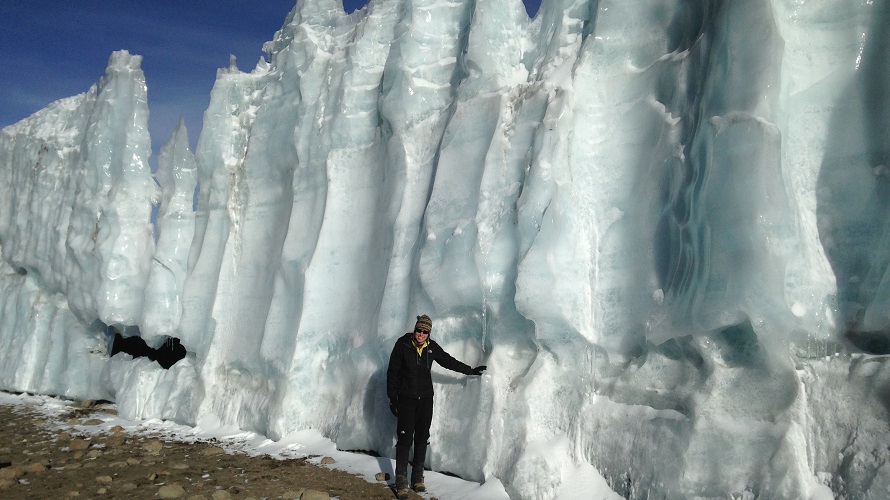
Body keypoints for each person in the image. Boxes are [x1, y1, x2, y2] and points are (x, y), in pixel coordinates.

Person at [386, 314, 486, 498]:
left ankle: (417, 478)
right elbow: (393, 373)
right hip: (407, 399)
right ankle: (401, 480)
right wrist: (393, 398)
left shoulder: (431, 348)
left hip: (425, 400)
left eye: (425, 331)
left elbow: (447, 361)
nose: (421, 334)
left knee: (422, 438)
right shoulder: (402, 345)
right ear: (415, 329)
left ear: (429, 333)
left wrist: (470, 370)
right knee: (405, 438)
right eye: (419, 330)